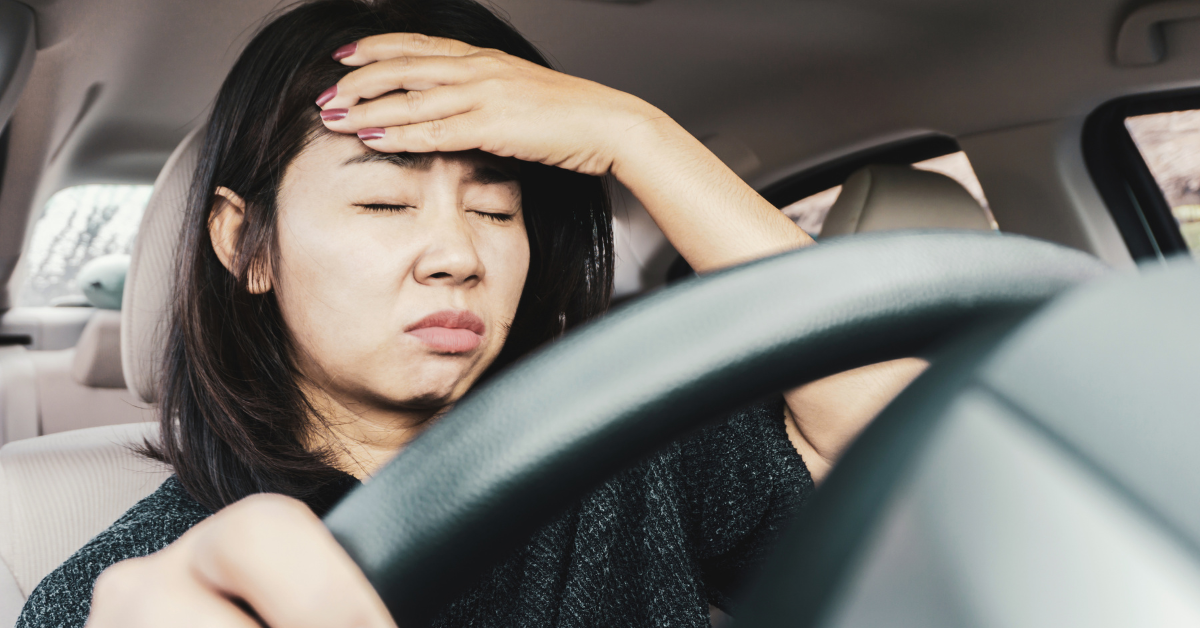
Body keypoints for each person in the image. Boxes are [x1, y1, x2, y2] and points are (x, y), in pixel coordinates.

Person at [16, 0, 926, 626]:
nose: (460, 255)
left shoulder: (630, 458)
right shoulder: (130, 590)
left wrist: (634, 135)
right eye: (384, 204)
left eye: (496, 211)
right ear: (244, 245)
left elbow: (907, 455)